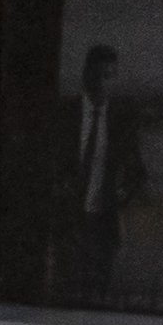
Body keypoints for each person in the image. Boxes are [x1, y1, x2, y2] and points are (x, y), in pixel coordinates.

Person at [55, 41, 143, 306]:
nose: (104, 83)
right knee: (64, 294)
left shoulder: (121, 122)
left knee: (97, 296)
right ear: (86, 74)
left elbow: (138, 173)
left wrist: (121, 196)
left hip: (103, 222)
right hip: (66, 219)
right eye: (98, 75)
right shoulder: (66, 114)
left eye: (110, 76)